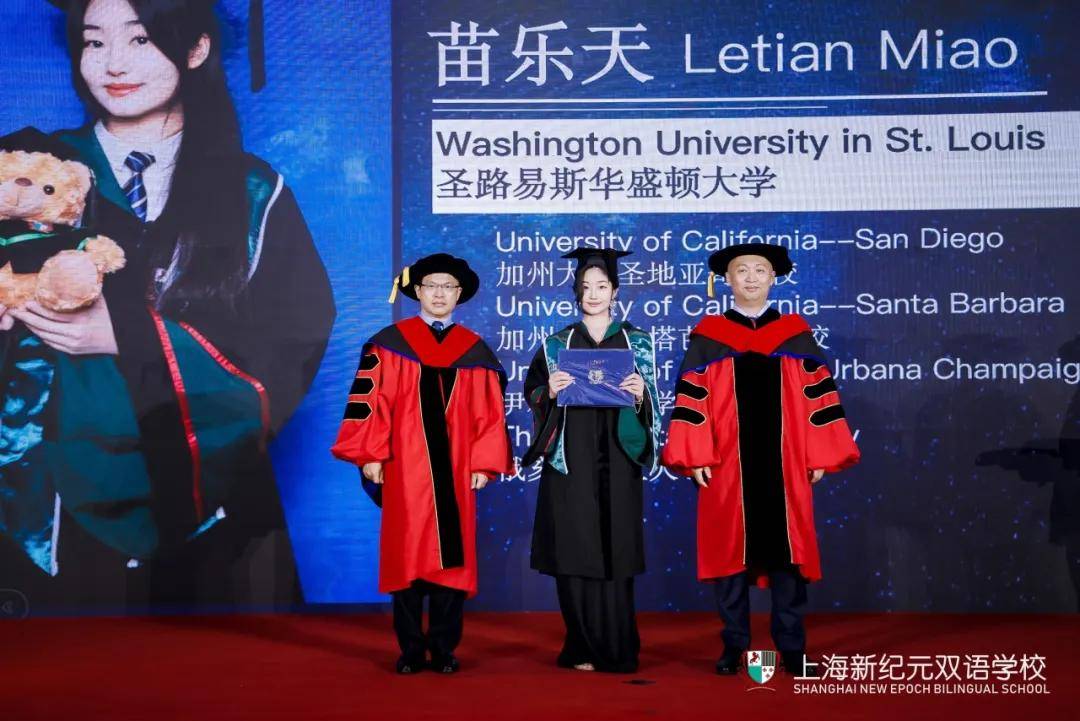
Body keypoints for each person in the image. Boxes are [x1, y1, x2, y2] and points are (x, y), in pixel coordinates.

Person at [0, 0, 335, 610]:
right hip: (46, 493)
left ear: (196, 49)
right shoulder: (28, 172)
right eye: (94, 42)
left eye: (140, 39)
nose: (114, 64)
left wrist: (126, 335)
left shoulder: (252, 192)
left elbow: (292, 342)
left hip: (210, 507)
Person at [660, 243, 859, 676]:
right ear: (726, 280)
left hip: (787, 465)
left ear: (774, 277)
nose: (751, 277)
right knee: (729, 558)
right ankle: (734, 645)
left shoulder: (795, 335)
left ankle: (792, 648)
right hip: (727, 464)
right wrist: (695, 454)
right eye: (741, 270)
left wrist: (819, 453)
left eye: (760, 270)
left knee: (789, 558)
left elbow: (818, 398)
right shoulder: (710, 336)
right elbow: (693, 399)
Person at [331, 252, 513, 675]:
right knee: (407, 554)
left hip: (457, 467)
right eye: (432, 286)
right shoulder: (389, 344)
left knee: (452, 557)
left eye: (448, 287)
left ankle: (444, 649)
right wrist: (370, 454)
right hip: (404, 467)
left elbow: (489, 413)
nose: (439, 294)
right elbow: (370, 401)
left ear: (459, 295)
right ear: (417, 291)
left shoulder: (473, 351)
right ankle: (411, 650)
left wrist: (484, 463)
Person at [521, 248, 661, 673]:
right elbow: (533, 393)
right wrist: (551, 391)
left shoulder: (637, 341)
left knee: (616, 550)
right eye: (586, 287)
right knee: (575, 550)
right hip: (572, 460)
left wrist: (641, 395)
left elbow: (653, 404)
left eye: (602, 286)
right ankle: (581, 645)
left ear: (615, 291)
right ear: (576, 292)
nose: (594, 294)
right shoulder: (556, 344)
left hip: (619, 457)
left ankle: (618, 647)